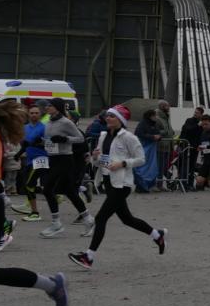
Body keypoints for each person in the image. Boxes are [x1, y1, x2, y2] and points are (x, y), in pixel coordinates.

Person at [0, 96, 68, 306]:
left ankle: (52, 285)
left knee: (33, 185)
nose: (34, 114)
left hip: (39, 162)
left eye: (36, 112)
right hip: (26, 164)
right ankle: (52, 285)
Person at [68, 105, 167, 270]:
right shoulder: (103, 136)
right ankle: (157, 235)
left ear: (120, 120)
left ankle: (88, 257)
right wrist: (95, 157)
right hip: (108, 182)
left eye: (112, 116)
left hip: (123, 184)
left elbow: (141, 159)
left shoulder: (129, 137)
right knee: (127, 219)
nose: (108, 118)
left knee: (100, 218)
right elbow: (100, 162)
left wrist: (123, 163)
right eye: (107, 115)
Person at [38, 97, 91, 237]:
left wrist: (65, 139)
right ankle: (88, 219)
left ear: (57, 107)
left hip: (65, 159)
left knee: (48, 189)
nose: (47, 107)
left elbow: (80, 138)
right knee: (70, 192)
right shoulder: (48, 122)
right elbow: (50, 141)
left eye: (50, 105)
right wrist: (40, 142)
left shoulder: (66, 122)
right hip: (53, 159)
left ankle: (56, 223)